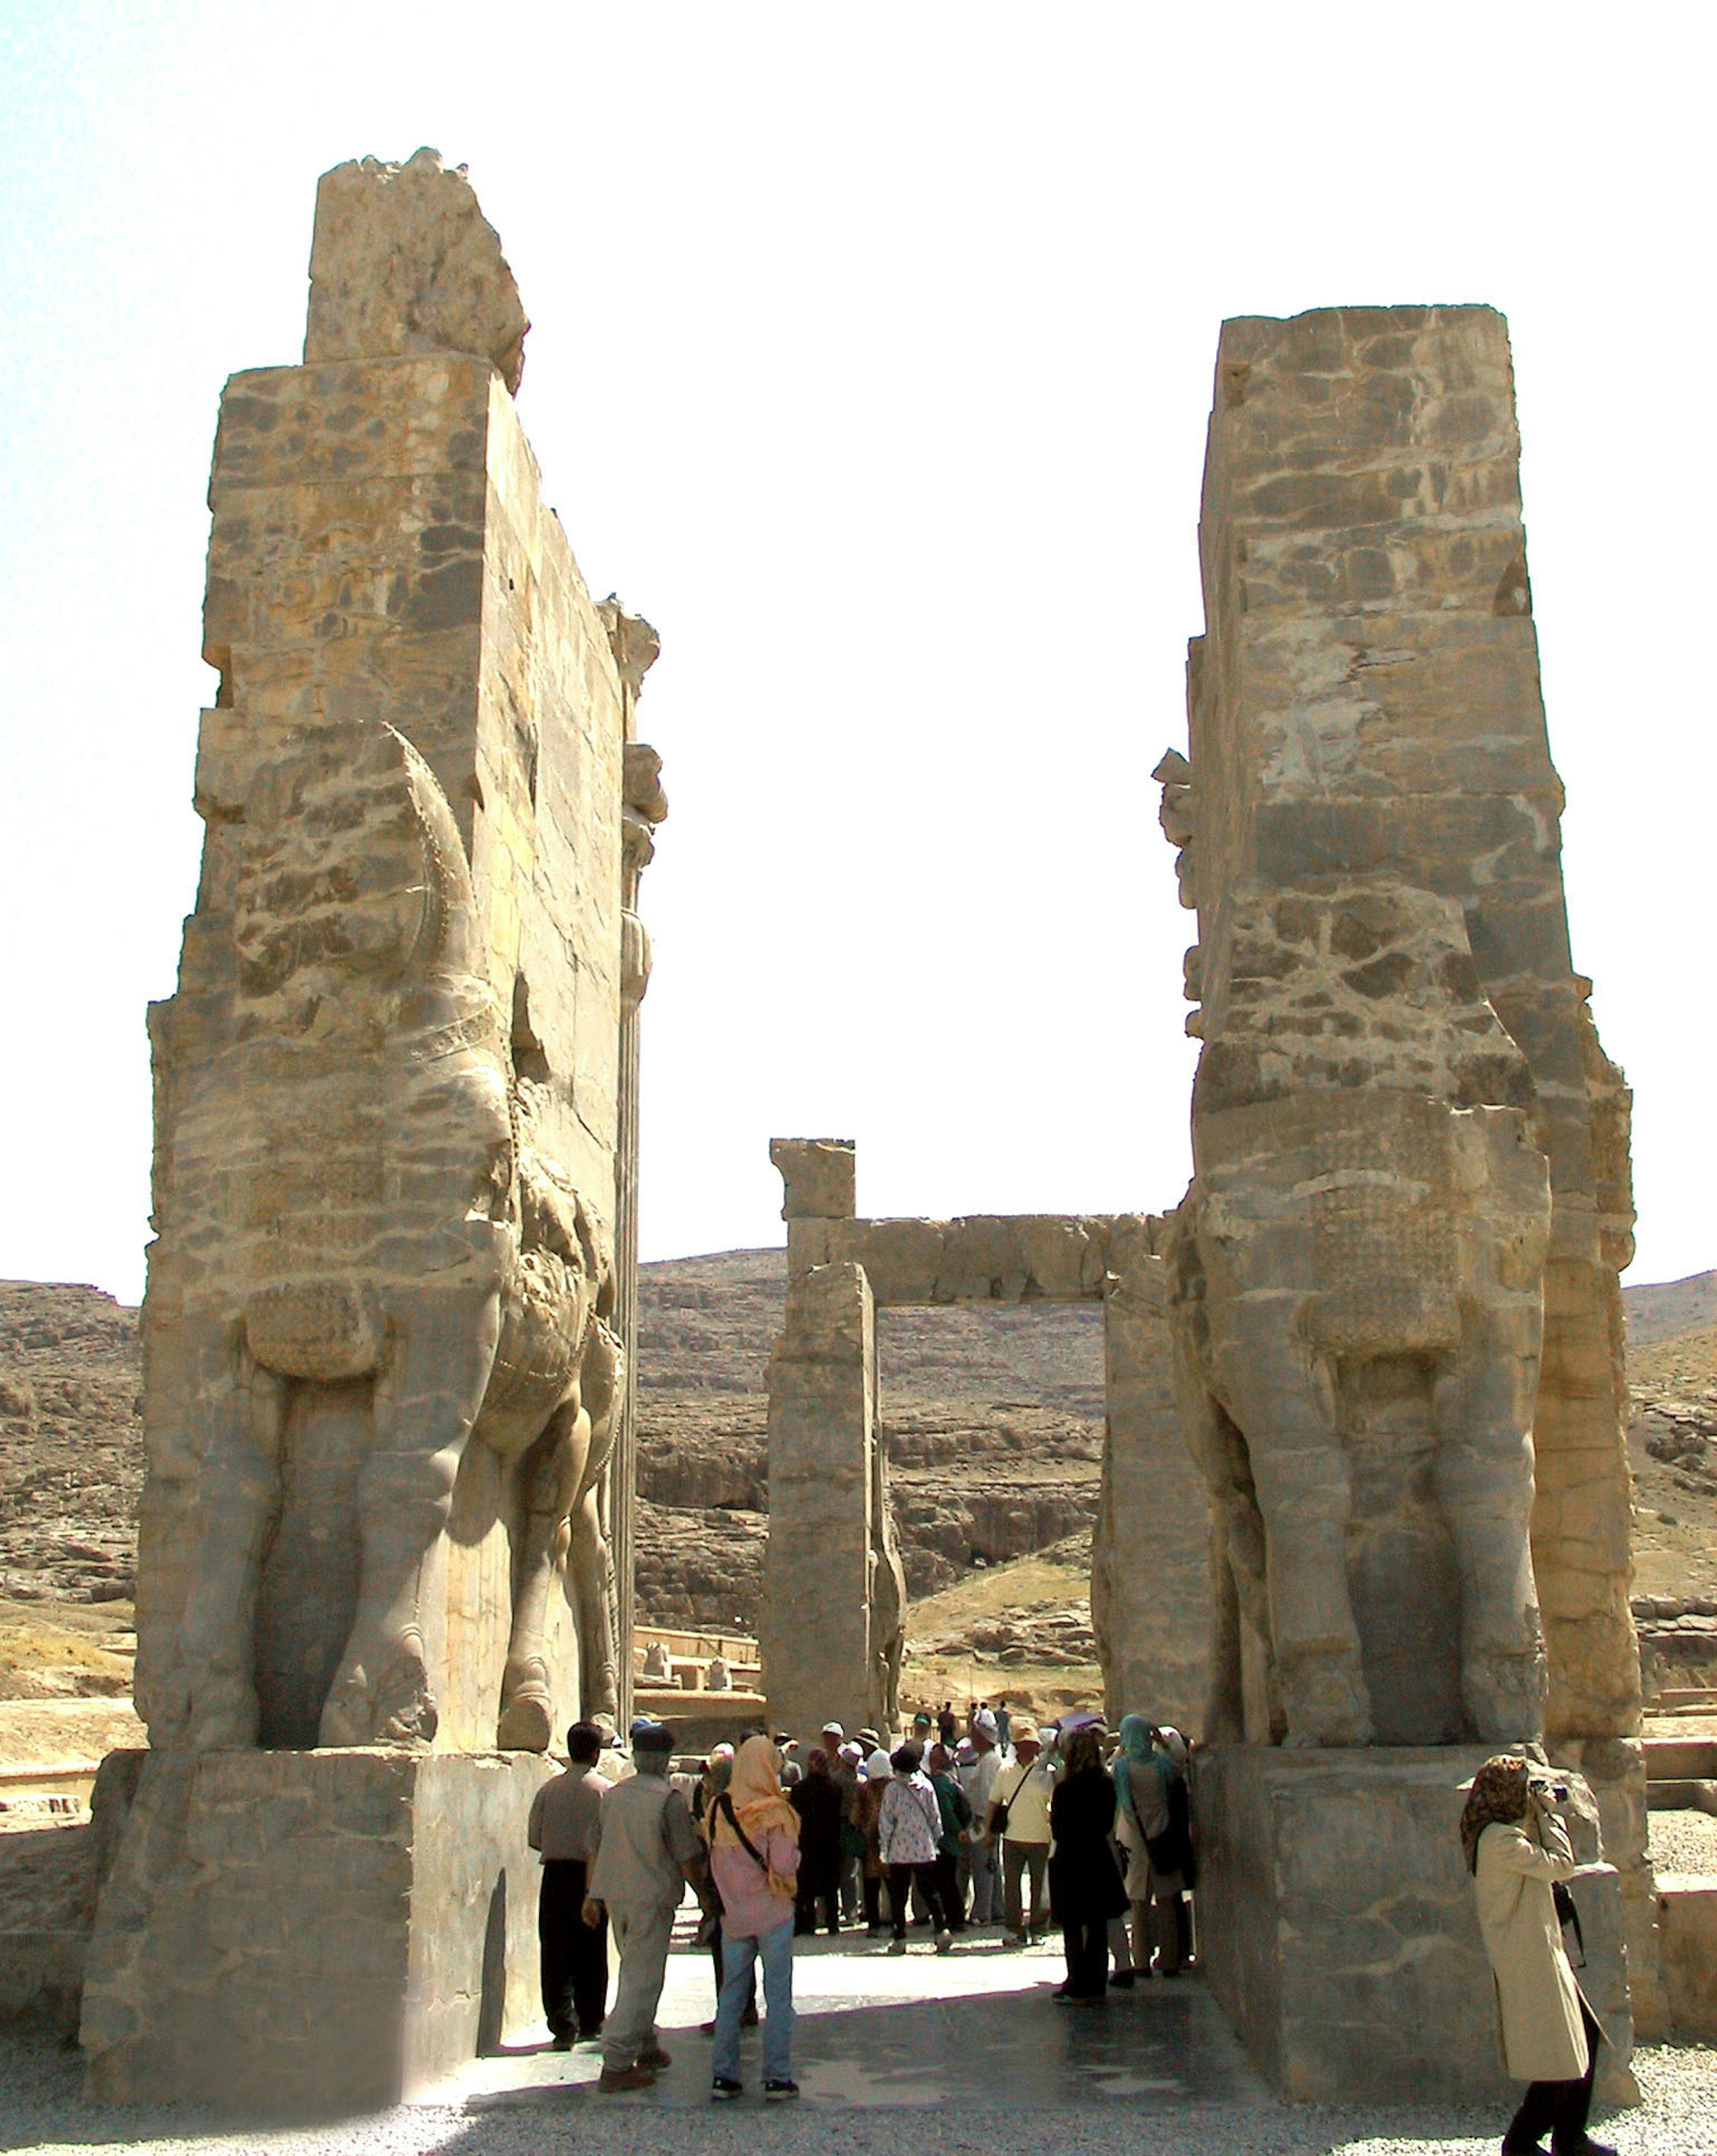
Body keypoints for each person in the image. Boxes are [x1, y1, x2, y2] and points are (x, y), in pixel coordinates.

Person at [1460, 1755, 1615, 2156]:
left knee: (1584, 2038)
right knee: (1559, 2060)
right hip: (1531, 1963)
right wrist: (1550, 1815)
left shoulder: (1501, 1834)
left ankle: (1570, 2137)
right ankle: (1522, 2141)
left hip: (1542, 1956)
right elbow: (1562, 1865)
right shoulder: (1500, 1842)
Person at [584, 1721, 707, 2094]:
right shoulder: (668, 1800)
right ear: (665, 1759)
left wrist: (591, 1895)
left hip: (615, 1895)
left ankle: (645, 2044)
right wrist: (704, 1895)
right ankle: (618, 2062)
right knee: (641, 1978)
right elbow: (686, 1857)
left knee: (637, 1970)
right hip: (650, 1898)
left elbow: (594, 1846)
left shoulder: (613, 1796)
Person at [708, 1733, 801, 2102]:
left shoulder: (720, 1808)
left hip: (734, 1917)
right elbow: (781, 1864)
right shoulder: (775, 1812)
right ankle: (777, 2076)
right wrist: (794, 1863)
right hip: (773, 1913)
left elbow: (715, 1861)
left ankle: (724, 2075)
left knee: (731, 1996)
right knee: (778, 1998)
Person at [526, 1720, 609, 2047]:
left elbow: (535, 1837)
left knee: (555, 1950)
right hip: (592, 1877)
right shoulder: (606, 1791)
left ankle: (563, 2024)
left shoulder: (549, 1789)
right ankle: (591, 2019)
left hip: (556, 1875)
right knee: (592, 1950)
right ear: (596, 1751)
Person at [1049, 1727, 1129, 2001]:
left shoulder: (1064, 1790)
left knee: (1073, 1928)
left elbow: (1058, 1832)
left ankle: (1077, 1983)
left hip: (1071, 1861)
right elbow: (1107, 1824)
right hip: (1097, 1859)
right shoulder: (1105, 1786)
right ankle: (1096, 1986)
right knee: (1098, 1927)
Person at [1112, 1715, 1188, 1978]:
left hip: (1134, 1840)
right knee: (1167, 1903)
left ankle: (1141, 1962)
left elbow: (1120, 1800)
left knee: (1139, 1906)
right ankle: (1170, 1960)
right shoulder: (1162, 1764)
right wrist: (1163, 1744)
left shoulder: (1123, 1767)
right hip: (1162, 1836)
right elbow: (1180, 1769)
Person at [878, 1744, 955, 1953]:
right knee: (930, 1892)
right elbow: (935, 1818)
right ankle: (942, 1931)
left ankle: (900, 1937)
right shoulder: (927, 1787)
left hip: (899, 1850)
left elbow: (887, 1821)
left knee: (899, 1895)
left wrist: (884, 1848)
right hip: (924, 1848)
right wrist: (935, 1840)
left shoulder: (893, 1790)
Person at [988, 1722, 1054, 1946]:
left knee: (1040, 1887)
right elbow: (993, 1802)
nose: (1026, 1749)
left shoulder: (1047, 1774)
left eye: (1030, 1745)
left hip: (1040, 1837)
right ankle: (1015, 1929)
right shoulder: (1005, 1771)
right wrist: (989, 1832)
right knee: (1012, 1887)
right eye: (1022, 1745)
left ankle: (1038, 1928)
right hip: (1012, 1837)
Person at [790, 1746, 845, 1935]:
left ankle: (808, 1922)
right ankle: (832, 1923)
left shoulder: (799, 1789)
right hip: (829, 1842)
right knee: (830, 1888)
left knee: (806, 1887)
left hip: (806, 1842)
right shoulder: (835, 1788)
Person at [957, 1709, 1003, 1924]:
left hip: (984, 1822)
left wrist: (978, 1827)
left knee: (984, 1868)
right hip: (985, 1822)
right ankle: (996, 1909)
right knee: (991, 1865)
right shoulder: (986, 1760)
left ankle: (982, 1913)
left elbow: (987, 1798)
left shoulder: (989, 1762)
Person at [925, 1743, 972, 1932]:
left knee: (945, 1882)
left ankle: (954, 1919)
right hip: (950, 1840)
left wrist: (957, 1830)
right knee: (949, 1881)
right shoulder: (950, 1781)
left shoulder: (940, 1784)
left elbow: (945, 1812)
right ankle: (955, 1917)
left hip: (944, 1840)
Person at [856, 1747, 892, 1933]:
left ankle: (874, 1924)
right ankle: (897, 1921)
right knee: (893, 1883)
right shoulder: (894, 1787)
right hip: (892, 1840)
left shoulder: (864, 1789)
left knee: (871, 1884)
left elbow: (856, 1816)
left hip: (870, 1840)